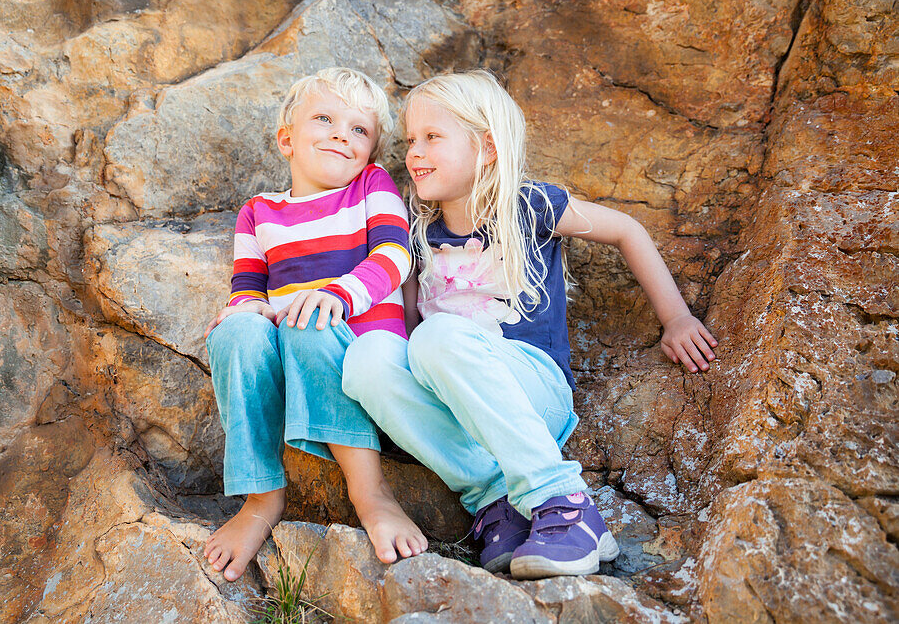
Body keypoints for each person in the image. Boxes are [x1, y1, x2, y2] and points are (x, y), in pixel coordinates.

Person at [343, 70, 718, 579]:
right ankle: (497, 501)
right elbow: (409, 332)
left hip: (532, 387)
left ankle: (565, 504)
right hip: (461, 404)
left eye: (433, 137)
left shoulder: (529, 206)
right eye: (410, 140)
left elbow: (627, 230)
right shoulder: (415, 230)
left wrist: (675, 317)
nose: (414, 152)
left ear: (488, 147)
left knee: (435, 338)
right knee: (367, 359)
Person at [202, 67, 428, 582]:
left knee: (311, 323)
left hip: (358, 355)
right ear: (287, 138)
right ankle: (262, 499)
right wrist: (245, 309)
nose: (339, 134)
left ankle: (370, 493)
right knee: (235, 329)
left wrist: (335, 294)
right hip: (290, 356)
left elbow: (395, 255)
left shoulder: (372, 185)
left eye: (358, 129)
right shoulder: (257, 213)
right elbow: (248, 286)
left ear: (370, 152)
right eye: (324, 119)